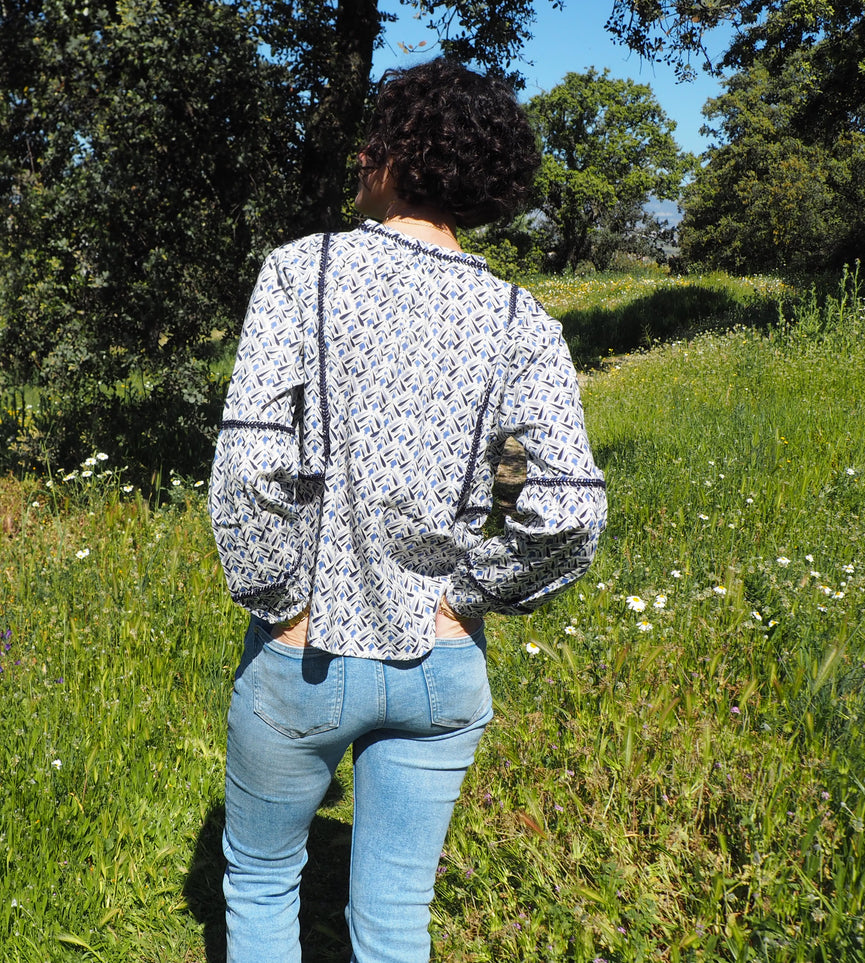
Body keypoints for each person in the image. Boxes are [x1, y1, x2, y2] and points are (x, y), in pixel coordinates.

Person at [208, 59, 608, 962]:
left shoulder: (301, 272)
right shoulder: (519, 317)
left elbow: (249, 462)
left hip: (307, 651)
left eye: (373, 139)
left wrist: (280, 600)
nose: (359, 156)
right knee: (394, 922)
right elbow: (568, 507)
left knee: (262, 880)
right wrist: (466, 598)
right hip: (441, 663)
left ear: (399, 156)